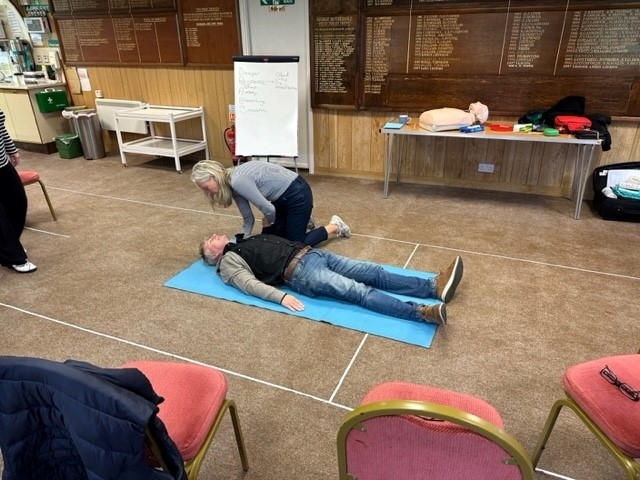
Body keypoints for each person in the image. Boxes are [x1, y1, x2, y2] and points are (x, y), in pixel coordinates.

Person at [199, 233, 464, 325]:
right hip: (302, 273)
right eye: (210, 240)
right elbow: (250, 285)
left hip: (312, 254)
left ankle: (433, 287)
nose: (214, 235)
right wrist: (280, 297)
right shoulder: (228, 264)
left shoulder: (242, 241)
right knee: (360, 292)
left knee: (375, 272)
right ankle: (421, 313)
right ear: (213, 254)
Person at [191, 160, 350, 247]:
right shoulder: (232, 184)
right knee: (276, 240)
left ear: (213, 176)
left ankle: (335, 226)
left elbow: (268, 209)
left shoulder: (238, 181)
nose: (208, 193)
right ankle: (304, 219)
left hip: (297, 194)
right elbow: (248, 219)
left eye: (206, 188)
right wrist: (239, 243)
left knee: (294, 246)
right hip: (284, 198)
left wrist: (270, 225)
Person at [0, 109, 36, 273]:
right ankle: (13, 256)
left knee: (17, 202)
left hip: (2, 163)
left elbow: (1, 126)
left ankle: (9, 245)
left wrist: (11, 149)